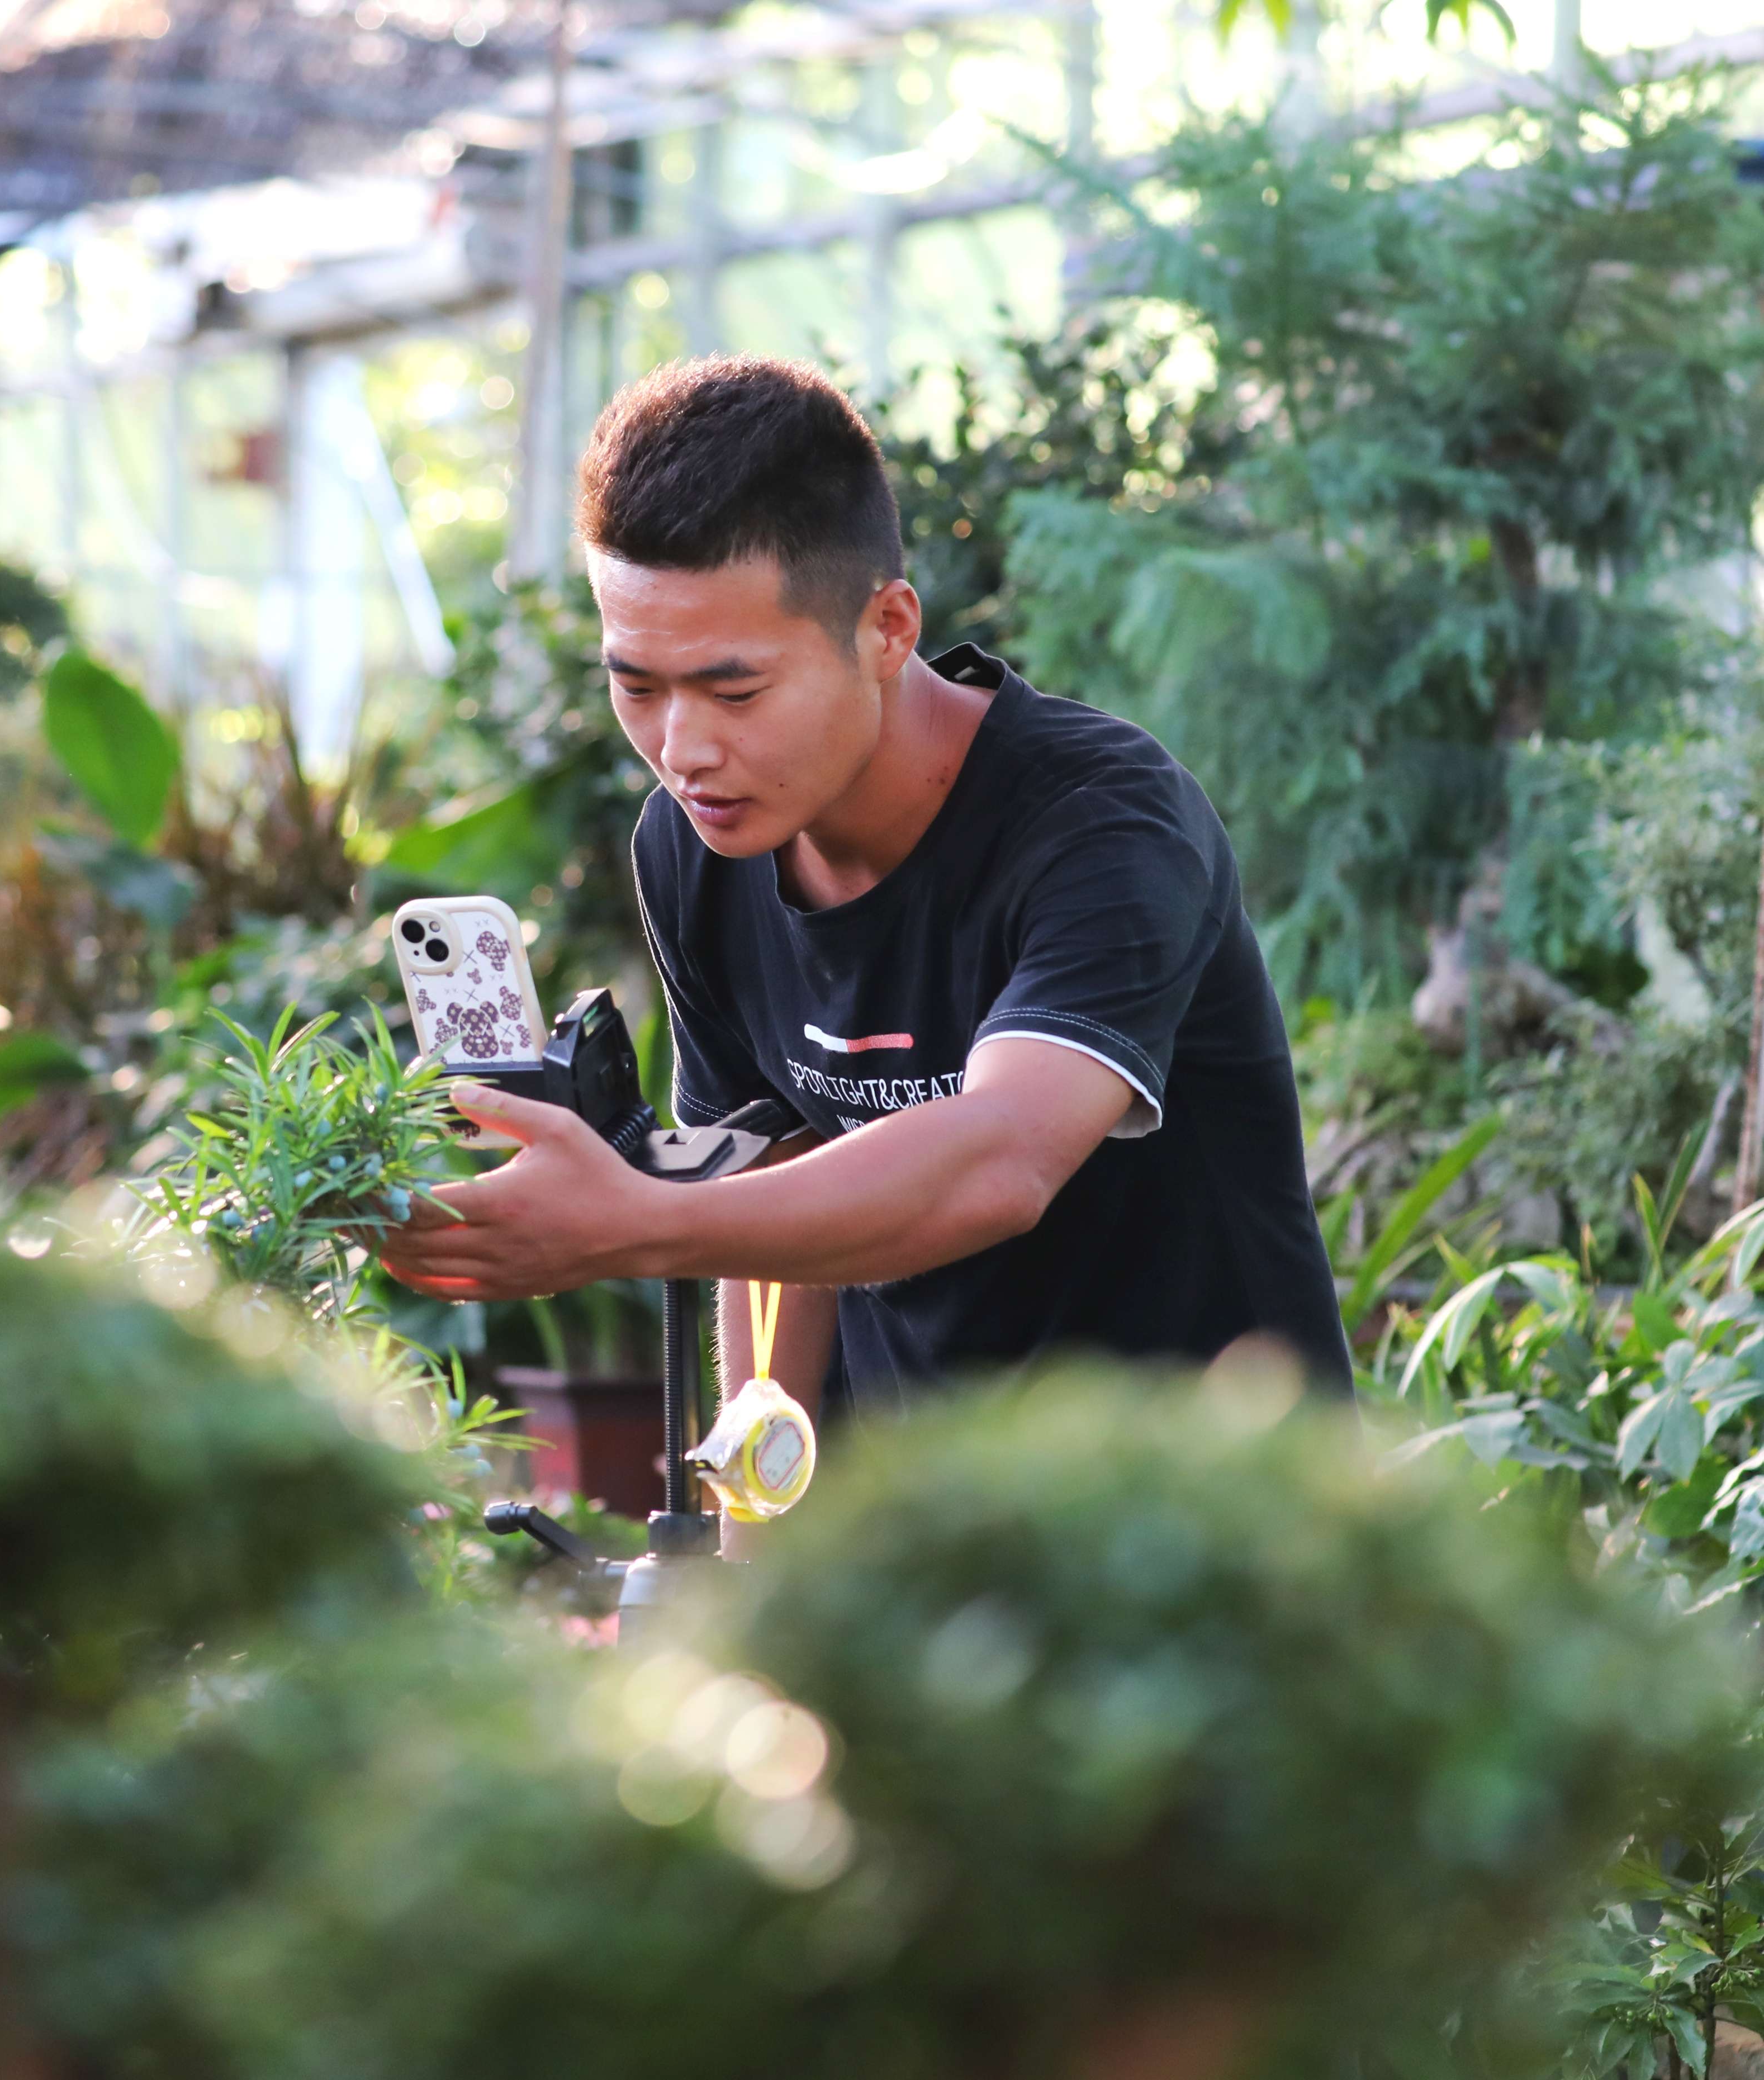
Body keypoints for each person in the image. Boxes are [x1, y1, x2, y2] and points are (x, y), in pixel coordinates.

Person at [377, 356, 1349, 1413]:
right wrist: (756, 1527)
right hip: (918, 1530)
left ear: (888, 628)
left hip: (1217, 1524)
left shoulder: (1107, 821)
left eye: (733, 688)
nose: (681, 748)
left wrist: (627, 1223)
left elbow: (1002, 1158)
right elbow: (765, 1188)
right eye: (636, 686)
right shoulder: (693, 845)